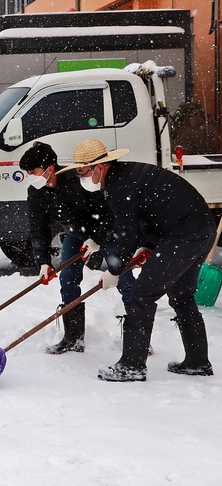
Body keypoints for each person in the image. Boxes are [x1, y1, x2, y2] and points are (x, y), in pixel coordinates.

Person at [59, 139, 217, 381]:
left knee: (142, 295)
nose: (81, 178)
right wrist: (108, 242)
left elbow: (126, 231)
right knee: (181, 295)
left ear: (99, 167)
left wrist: (115, 269)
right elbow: (145, 216)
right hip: (199, 229)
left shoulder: (119, 185)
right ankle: (197, 362)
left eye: (82, 172)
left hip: (183, 234)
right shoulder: (124, 176)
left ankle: (132, 365)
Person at [19, 141, 136, 354]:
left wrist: (98, 239)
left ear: (50, 169)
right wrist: (43, 261)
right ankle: (73, 338)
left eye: (32, 172)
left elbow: (109, 212)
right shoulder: (36, 192)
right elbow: (38, 227)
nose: (30, 177)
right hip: (76, 234)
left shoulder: (78, 181)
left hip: (106, 232)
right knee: (67, 280)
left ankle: (139, 339)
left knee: (124, 279)